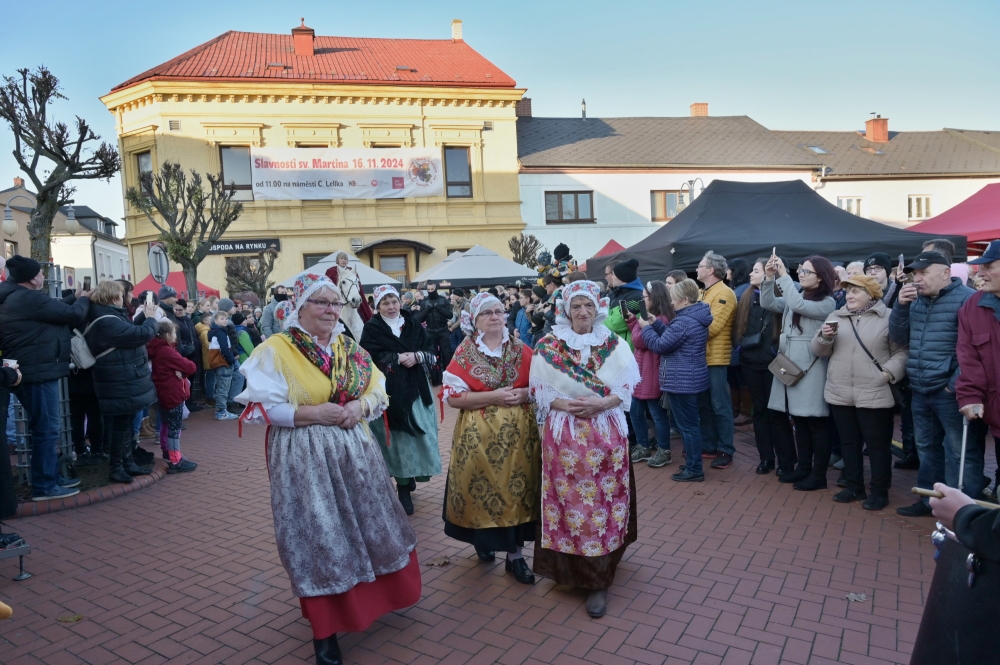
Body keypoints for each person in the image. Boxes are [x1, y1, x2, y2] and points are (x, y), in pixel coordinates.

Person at [236, 272, 418, 664]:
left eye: (335, 303)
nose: (331, 310)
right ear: (300, 307)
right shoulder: (277, 349)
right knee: (319, 533)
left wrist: (360, 406)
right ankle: (325, 630)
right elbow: (260, 407)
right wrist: (311, 413)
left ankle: (375, 599)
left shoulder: (348, 347)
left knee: (368, 521)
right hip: (305, 455)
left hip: (355, 451)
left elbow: (377, 389)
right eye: (321, 302)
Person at [529, 280, 641, 618]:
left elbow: (626, 386)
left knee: (602, 503)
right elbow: (540, 390)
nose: (583, 312)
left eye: (588, 305)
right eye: (576, 306)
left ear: (598, 308)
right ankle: (570, 568)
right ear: (565, 310)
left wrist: (602, 403)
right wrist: (568, 405)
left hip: (605, 432)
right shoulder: (548, 345)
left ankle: (597, 578)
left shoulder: (614, 343)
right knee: (568, 501)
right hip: (564, 435)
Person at [441, 291, 540, 584]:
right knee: (480, 488)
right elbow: (453, 398)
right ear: (475, 320)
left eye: (498, 311)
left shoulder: (521, 349)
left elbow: (542, 385)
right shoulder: (465, 352)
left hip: (519, 439)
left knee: (517, 491)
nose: (495, 316)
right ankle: (482, 541)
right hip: (478, 438)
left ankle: (515, 557)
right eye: (487, 312)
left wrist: (526, 392)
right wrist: (493, 396)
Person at [891, 251, 981, 516]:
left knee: (960, 452)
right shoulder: (915, 301)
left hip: (950, 392)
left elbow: (973, 351)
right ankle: (929, 502)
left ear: (945, 273)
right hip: (921, 389)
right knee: (927, 449)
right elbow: (898, 338)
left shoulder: (967, 299)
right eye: (915, 273)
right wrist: (900, 306)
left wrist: (953, 384)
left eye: (923, 272)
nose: (917, 278)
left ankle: (964, 512)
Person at [811, 275, 907, 510]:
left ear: (871, 294)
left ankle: (879, 492)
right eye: (848, 291)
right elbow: (818, 351)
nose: (850, 295)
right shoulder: (836, 316)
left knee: (877, 446)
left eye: (856, 291)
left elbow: (902, 352)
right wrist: (824, 337)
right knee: (849, 443)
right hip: (840, 390)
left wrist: (886, 374)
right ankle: (854, 486)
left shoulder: (889, 317)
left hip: (874, 391)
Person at [0, 256, 90, 500]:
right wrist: (84, 298)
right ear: (32, 279)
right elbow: (73, 315)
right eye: (40, 273)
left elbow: (53, 311)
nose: (42, 277)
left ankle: (50, 478)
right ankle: (45, 486)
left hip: (27, 369)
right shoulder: (28, 298)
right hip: (37, 372)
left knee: (43, 427)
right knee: (47, 429)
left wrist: (74, 298)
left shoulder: (14, 296)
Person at [359, 285, 441, 515]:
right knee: (397, 440)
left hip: (416, 388)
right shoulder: (372, 328)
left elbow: (430, 349)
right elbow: (367, 356)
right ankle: (402, 485)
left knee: (420, 433)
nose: (391, 307)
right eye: (385, 303)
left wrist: (417, 356)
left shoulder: (413, 323)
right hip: (390, 392)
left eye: (394, 301)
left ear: (400, 302)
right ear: (377, 306)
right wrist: (395, 358)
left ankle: (412, 475)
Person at [761, 253, 837, 488]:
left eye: (806, 271)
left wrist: (783, 275)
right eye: (800, 270)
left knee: (816, 422)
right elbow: (768, 303)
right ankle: (804, 467)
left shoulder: (827, 302)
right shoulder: (800, 296)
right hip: (791, 365)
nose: (801, 275)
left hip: (811, 368)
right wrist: (769, 278)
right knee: (800, 421)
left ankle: (818, 474)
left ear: (821, 277)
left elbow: (797, 305)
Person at [638, 279, 713, 482]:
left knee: (688, 427)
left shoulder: (683, 321)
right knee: (690, 425)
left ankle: (694, 468)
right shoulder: (694, 317)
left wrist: (646, 328)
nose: (671, 302)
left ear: (685, 300)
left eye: (674, 299)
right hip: (691, 378)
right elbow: (672, 339)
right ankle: (692, 464)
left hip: (681, 381)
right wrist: (655, 323)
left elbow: (661, 346)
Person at [85, 280, 159, 483]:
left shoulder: (107, 315)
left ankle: (128, 463)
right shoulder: (106, 320)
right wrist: (151, 319)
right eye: (122, 294)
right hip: (117, 380)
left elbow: (129, 330)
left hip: (121, 378)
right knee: (120, 427)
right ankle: (116, 468)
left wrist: (144, 315)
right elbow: (140, 334)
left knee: (124, 424)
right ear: (112, 298)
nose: (127, 297)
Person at [957, 240, 1000, 486]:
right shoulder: (973, 306)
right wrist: (970, 396)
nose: (980, 273)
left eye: (988, 267)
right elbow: (968, 356)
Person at [732, 259, 781, 474]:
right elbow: (737, 327)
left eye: (756, 271)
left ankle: (785, 460)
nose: (751, 274)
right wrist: (740, 346)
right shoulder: (746, 296)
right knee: (759, 411)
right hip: (750, 362)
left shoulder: (780, 297)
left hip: (772, 363)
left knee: (776, 412)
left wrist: (774, 350)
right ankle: (766, 458)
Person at [627, 281, 675, 468]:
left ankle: (664, 450)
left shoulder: (660, 319)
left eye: (645, 297)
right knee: (636, 411)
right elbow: (639, 336)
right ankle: (643, 446)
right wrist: (633, 322)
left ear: (654, 298)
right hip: (642, 372)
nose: (642, 300)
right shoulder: (649, 318)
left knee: (657, 414)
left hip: (651, 372)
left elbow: (639, 341)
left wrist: (640, 325)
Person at [696, 251, 737, 468]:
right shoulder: (704, 293)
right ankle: (710, 445)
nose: (697, 269)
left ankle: (725, 449)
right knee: (704, 405)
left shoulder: (724, 293)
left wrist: (687, 328)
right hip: (702, 357)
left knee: (720, 405)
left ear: (711, 270)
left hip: (716, 359)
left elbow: (713, 328)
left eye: (700, 266)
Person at [146, 321, 198, 473]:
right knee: (174, 428)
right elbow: (190, 366)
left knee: (165, 424)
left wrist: (182, 372)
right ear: (168, 334)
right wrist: (183, 371)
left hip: (162, 392)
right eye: (174, 333)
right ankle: (175, 460)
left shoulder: (155, 348)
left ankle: (167, 453)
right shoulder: (166, 351)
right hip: (172, 393)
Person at [409, 280, 453, 385]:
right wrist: (426, 310)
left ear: (436, 289)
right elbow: (420, 319)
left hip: (443, 330)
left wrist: (439, 308)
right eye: (428, 289)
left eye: (432, 289)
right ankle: (435, 377)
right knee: (432, 355)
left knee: (447, 354)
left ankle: (449, 377)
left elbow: (450, 315)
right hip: (431, 331)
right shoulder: (424, 302)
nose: (430, 291)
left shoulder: (443, 300)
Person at [324, 250, 373, 341]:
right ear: (337, 260)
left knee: (361, 313)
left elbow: (358, 288)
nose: (344, 260)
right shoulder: (331, 271)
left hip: (351, 299)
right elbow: (328, 288)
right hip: (337, 301)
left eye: (345, 259)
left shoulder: (352, 271)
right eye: (341, 258)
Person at [207, 310, 240, 420]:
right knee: (223, 388)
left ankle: (220, 409)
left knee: (220, 387)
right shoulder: (220, 332)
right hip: (223, 362)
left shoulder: (214, 331)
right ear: (216, 321)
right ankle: (221, 411)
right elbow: (224, 349)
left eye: (226, 318)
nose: (225, 320)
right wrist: (231, 361)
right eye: (222, 319)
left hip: (217, 362)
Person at [603, 258, 643, 349]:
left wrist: (599, 315)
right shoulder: (614, 293)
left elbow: (615, 324)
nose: (612, 277)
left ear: (621, 278)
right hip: (612, 347)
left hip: (626, 349)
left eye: (614, 274)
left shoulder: (636, 297)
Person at [448, 288, 470, 354]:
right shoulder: (455, 303)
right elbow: (454, 315)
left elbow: (463, 318)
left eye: (454, 294)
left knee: (460, 349)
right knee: (453, 348)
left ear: (458, 295)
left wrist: (452, 327)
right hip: (455, 328)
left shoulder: (466, 304)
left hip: (462, 329)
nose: (453, 295)